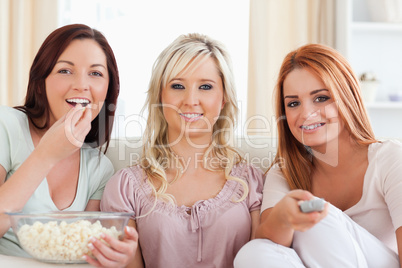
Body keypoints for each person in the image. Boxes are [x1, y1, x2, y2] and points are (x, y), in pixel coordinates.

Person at [100, 33, 264, 268]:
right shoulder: (124, 188)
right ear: (160, 95)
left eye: (205, 87)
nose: (190, 100)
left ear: (224, 98)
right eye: (177, 86)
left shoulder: (252, 183)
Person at [234, 43, 402, 267]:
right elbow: (269, 247)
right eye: (293, 103)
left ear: (347, 96)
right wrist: (284, 218)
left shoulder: (390, 158)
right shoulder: (285, 172)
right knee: (252, 253)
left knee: (314, 216)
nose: (306, 113)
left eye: (321, 98)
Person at [0, 24, 138, 267]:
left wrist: (120, 256)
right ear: (41, 80)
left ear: (108, 89)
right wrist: (46, 155)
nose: (81, 85)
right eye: (65, 70)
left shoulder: (99, 168)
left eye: (95, 73)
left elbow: (86, 251)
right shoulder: (7, 126)